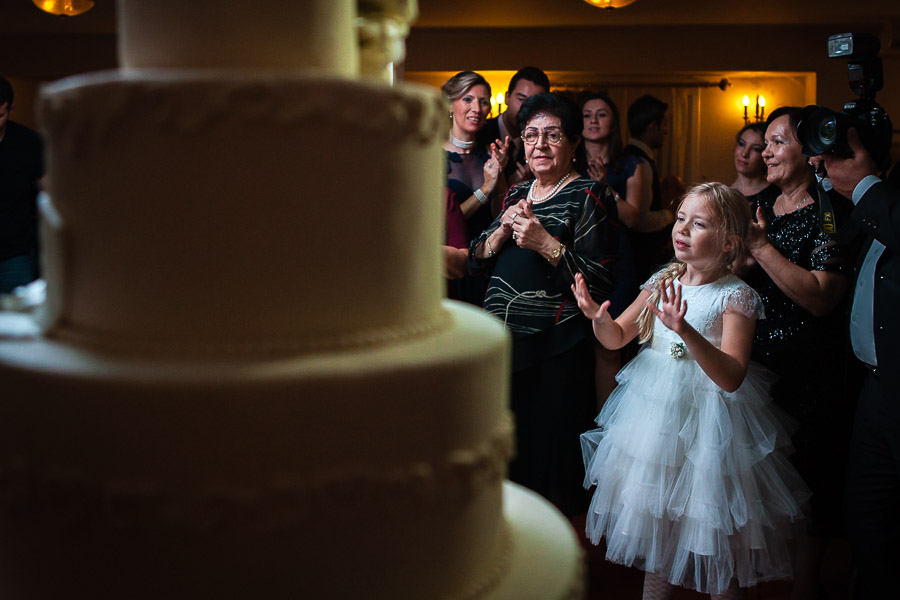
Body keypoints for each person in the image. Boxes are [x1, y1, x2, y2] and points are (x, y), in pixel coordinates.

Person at [574, 182, 809, 600]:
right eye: (680, 218)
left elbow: (732, 376)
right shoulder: (663, 279)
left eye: (697, 223)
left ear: (727, 242)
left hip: (710, 427)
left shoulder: (736, 295)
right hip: (656, 421)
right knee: (659, 541)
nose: (681, 229)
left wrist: (686, 331)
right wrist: (597, 317)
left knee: (716, 545)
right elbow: (616, 338)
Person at [468, 92, 619, 517]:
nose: (539, 144)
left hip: (557, 343)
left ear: (574, 143)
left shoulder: (590, 195)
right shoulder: (517, 190)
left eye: (552, 135)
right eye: (531, 135)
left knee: (552, 460)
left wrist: (547, 245)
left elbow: (602, 279)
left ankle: (557, 561)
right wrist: (495, 238)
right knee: (511, 458)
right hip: (505, 343)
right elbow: (477, 257)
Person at [743, 106, 859, 599]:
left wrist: (762, 249)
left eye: (777, 142)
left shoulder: (832, 209)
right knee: (757, 485)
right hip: (760, 370)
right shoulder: (761, 203)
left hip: (815, 372)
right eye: (763, 142)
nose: (765, 151)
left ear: (808, 153)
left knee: (811, 487)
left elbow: (821, 297)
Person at [820, 125, 900, 599]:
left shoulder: (883, 192)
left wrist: (865, 183)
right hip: (875, 386)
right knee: (868, 516)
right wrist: (832, 185)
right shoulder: (887, 189)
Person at [579, 92, 643, 408]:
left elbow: (634, 216)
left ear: (613, 121)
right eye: (587, 114)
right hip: (578, 255)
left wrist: (606, 187)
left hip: (619, 257)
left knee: (611, 343)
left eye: (601, 114)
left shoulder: (632, 163)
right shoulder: (569, 160)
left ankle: (605, 424)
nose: (593, 120)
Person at [440, 70, 509, 305]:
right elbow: (445, 220)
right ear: (450, 105)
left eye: (483, 101)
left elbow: (500, 216)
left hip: (489, 266)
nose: (477, 108)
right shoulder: (433, 158)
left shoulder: (488, 157)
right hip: (450, 269)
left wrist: (499, 176)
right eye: (467, 99)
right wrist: (485, 189)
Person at [624, 94, 676, 281]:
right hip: (639, 257)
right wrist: (670, 214)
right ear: (652, 126)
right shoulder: (640, 163)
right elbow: (642, 220)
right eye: (664, 125)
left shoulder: (631, 157)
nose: (666, 131)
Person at [0, 75, 44, 294]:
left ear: (11, 108)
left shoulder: (29, 142)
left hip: (16, 254)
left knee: (16, 322)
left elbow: (48, 194)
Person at [476, 67, 549, 186]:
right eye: (521, 99)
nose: (527, 108)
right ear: (507, 97)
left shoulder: (542, 144)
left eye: (535, 103)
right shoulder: (480, 132)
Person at [731, 122, 779, 206]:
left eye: (756, 149)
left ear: (766, 154)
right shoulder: (721, 195)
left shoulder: (777, 195)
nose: (745, 154)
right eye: (742, 144)